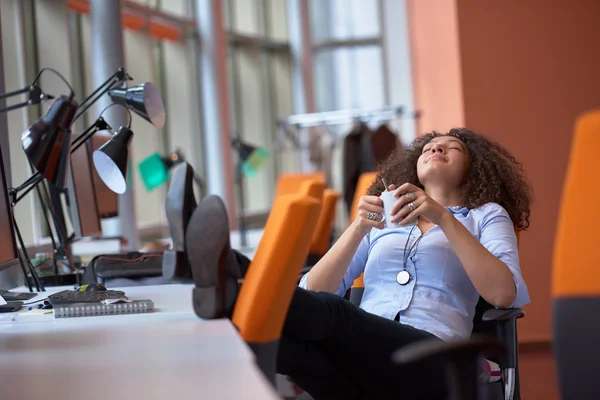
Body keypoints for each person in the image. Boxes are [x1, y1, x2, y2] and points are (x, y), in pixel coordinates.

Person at [188, 128, 533, 399]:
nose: (435, 149)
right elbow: (313, 291)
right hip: (364, 355)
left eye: (451, 148)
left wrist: (440, 216)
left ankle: (236, 278)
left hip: (434, 357)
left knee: (337, 314)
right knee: (287, 348)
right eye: (429, 147)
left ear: (474, 170)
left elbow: (504, 294)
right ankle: (231, 292)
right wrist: (358, 227)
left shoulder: (484, 216)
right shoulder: (387, 218)